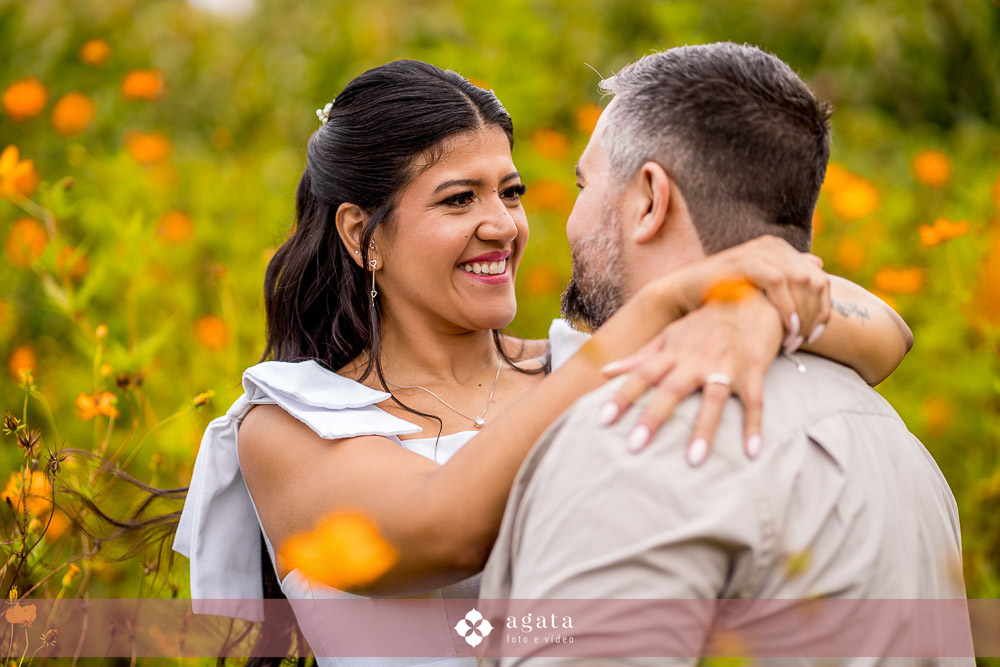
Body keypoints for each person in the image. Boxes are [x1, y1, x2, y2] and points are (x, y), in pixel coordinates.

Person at [171, 59, 915, 666]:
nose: (502, 225)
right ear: (362, 235)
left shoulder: (579, 362)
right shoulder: (289, 425)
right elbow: (442, 528)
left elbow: (885, 331)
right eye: (459, 199)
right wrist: (662, 310)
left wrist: (750, 303)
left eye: (512, 191)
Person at [477, 43, 971, 665]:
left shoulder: (637, 440)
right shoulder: (897, 445)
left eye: (583, 184)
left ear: (650, 200)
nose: (569, 219)